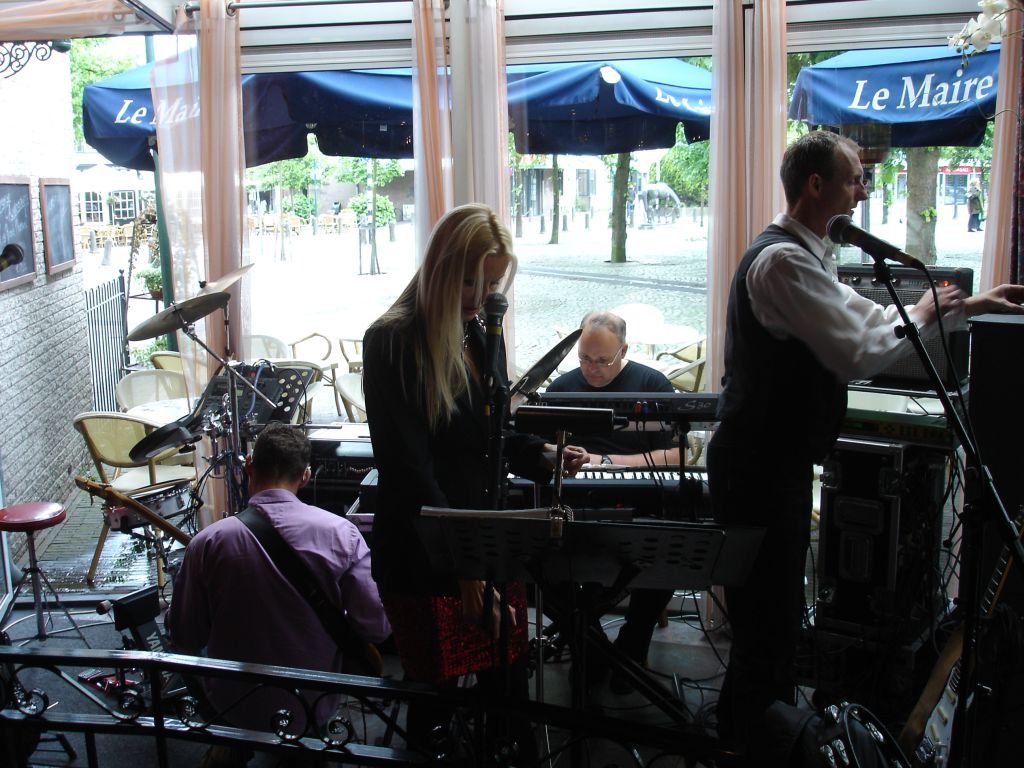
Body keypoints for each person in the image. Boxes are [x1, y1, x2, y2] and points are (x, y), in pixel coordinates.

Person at [707, 130, 1024, 758]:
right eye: (854, 177)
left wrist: (966, 306)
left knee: (771, 623)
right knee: (767, 628)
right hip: (757, 470)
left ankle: (744, 735)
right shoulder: (784, 263)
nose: (863, 188)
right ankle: (757, 744)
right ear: (816, 185)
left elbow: (872, 319)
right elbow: (857, 350)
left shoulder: (810, 255)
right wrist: (928, 314)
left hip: (774, 465)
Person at [361, 203, 587, 761]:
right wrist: (463, 572)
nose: (481, 295)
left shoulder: (484, 333)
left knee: (508, 694)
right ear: (440, 267)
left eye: (490, 283)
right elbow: (409, 469)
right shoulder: (392, 340)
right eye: (469, 280)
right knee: (436, 703)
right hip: (425, 554)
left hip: (486, 546)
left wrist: (543, 456)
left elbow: (493, 434)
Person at [167, 423, 391, 752]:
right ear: (306, 476)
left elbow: (185, 635)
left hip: (233, 705)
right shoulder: (342, 534)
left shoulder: (207, 542)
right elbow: (376, 627)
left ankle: (228, 750)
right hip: (312, 704)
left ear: (249, 468)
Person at [546, 310, 679, 691]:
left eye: (602, 360)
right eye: (584, 359)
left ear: (624, 350)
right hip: (574, 496)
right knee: (543, 565)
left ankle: (632, 644)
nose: (592, 369)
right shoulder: (562, 389)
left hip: (637, 492)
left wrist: (604, 461)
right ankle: (592, 647)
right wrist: (561, 455)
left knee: (667, 554)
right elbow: (540, 446)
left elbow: (675, 454)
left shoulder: (652, 384)